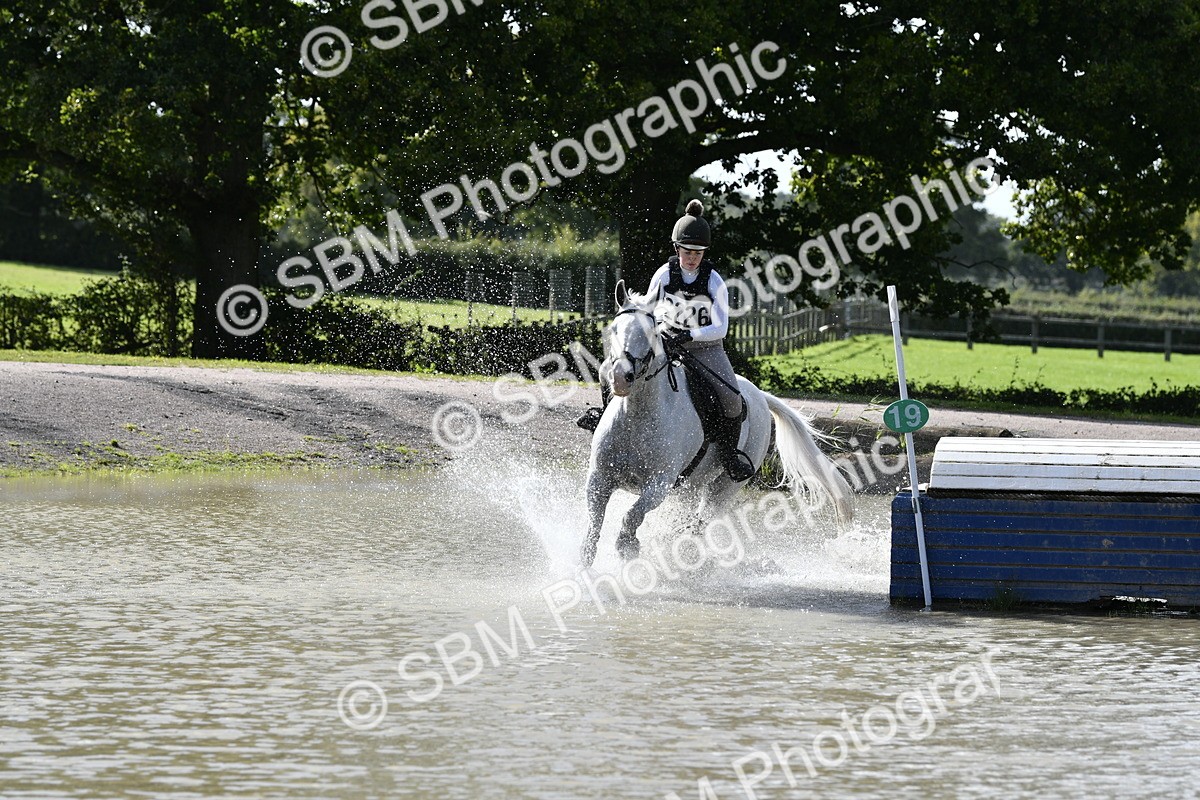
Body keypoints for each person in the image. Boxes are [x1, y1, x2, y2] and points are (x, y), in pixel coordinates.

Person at [576, 199, 756, 482]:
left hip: (705, 348)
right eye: (687, 251)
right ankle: (603, 414)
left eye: (698, 253)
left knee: (732, 399)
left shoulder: (714, 281)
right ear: (677, 249)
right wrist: (660, 330)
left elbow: (721, 328)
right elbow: (650, 309)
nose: (692, 258)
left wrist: (691, 334)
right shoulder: (664, 274)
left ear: (704, 253)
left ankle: (729, 456)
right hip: (666, 341)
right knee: (607, 370)